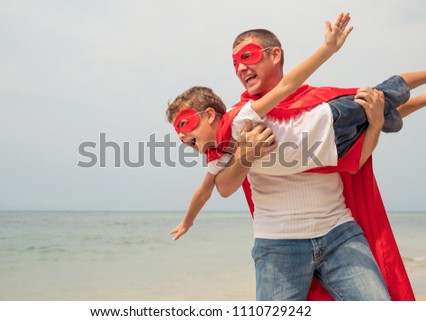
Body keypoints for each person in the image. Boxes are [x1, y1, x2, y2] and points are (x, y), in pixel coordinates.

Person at [169, 13, 422, 300]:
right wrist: (246, 156)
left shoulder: (313, 100)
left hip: (340, 234)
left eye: (247, 57)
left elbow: (355, 161)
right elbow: (221, 187)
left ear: (274, 55)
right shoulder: (242, 124)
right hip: (279, 248)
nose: (240, 68)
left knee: (382, 101)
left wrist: (375, 124)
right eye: (235, 63)